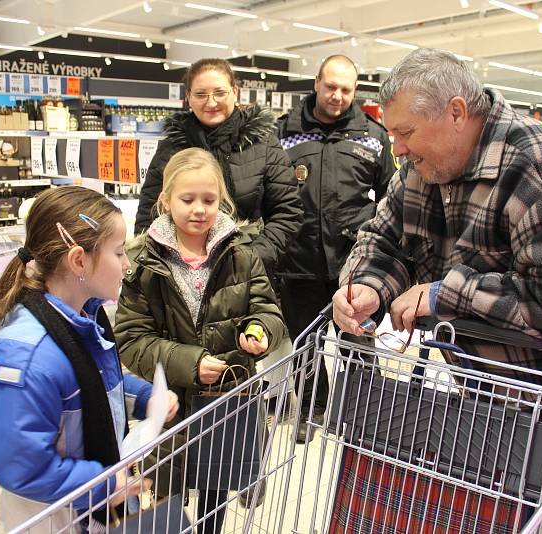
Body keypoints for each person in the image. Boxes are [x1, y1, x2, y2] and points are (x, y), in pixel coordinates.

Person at [331, 48, 542, 534]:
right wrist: (369, 287)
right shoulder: (421, 170)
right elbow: (383, 239)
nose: (395, 147)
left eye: (406, 132)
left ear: (456, 112)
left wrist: (443, 294)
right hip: (493, 395)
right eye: (391, 131)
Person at [0, 186, 179, 533]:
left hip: (82, 512)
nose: (126, 265)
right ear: (79, 260)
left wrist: (143, 398)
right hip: (48, 520)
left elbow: (93, 387)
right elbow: (20, 465)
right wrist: (105, 483)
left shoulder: (81, 319)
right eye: (119, 253)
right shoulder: (30, 359)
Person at [116, 148, 285, 534]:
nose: (199, 209)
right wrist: (190, 363)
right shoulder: (143, 260)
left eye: (209, 200)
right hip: (170, 403)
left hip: (227, 399)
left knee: (216, 489)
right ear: (165, 199)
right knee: (167, 493)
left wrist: (260, 329)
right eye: (187, 199)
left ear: (221, 199)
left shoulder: (240, 251)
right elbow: (131, 338)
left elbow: (267, 309)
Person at [275, 54, 395, 442]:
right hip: (298, 263)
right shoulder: (283, 132)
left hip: (354, 267)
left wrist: (373, 239)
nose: (338, 96)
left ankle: (366, 419)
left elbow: (392, 197)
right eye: (331, 87)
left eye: (346, 89)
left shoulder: (373, 136)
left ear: (355, 90)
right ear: (316, 83)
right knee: (304, 346)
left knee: (358, 344)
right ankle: (312, 411)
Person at [135, 58, 302, 280]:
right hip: (182, 277)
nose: (211, 102)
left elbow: (287, 212)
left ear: (235, 91)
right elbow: (150, 213)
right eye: (201, 94)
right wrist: (158, 268)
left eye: (220, 93)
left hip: (250, 276)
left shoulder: (263, 144)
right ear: (188, 97)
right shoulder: (172, 147)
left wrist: (254, 258)